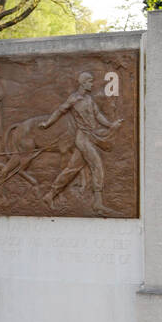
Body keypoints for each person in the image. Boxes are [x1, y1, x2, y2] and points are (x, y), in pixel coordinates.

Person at [40, 71, 121, 215]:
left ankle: (49, 195)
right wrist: (47, 123)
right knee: (97, 165)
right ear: (83, 83)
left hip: (91, 137)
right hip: (83, 138)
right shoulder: (74, 99)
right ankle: (98, 204)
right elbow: (59, 111)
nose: (92, 84)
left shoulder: (89, 99)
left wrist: (110, 125)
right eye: (90, 81)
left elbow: (97, 115)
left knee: (71, 170)